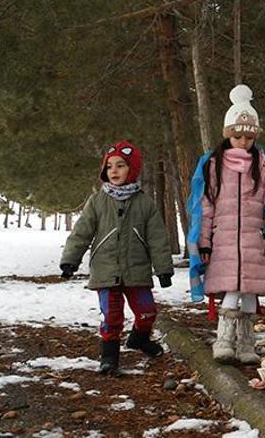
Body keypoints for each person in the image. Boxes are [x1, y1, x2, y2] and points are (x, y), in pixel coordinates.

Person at [187, 84, 265, 365]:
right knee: (231, 290)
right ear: (228, 134)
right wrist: (203, 241)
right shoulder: (214, 165)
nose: (243, 141)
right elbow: (206, 205)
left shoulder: (262, 166)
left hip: (253, 242)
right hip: (223, 242)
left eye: (249, 137)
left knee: (249, 292)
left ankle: (247, 344)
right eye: (237, 135)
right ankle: (224, 340)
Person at [60, 140, 174, 375]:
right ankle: (109, 357)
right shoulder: (97, 201)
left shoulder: (144, 203)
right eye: (110, 166)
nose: (114, 170)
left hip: (136, 270)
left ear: (131, 170)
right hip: (106, 270)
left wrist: (163, 268)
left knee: (147, 312)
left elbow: (157, 238)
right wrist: (70, 260)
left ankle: (139, 339)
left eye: (120, 165)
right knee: (111, 316)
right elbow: (81, 232)